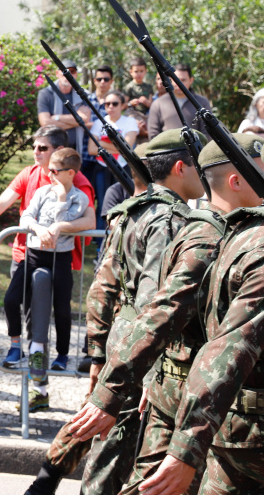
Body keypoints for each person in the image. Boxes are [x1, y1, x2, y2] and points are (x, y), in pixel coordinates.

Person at [70, 134, 261, 495]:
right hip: (196, 394)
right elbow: (162, 312)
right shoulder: (210, 235)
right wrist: (118, 386)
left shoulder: (215, 229)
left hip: (189, 392)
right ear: (235, 181)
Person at [136, 137, 264, 495]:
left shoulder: (230, 234)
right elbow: (226, 347)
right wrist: (187, 448)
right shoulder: (224, 235)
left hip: (218, 416)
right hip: (233, 420)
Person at [23, 145, 150, 495]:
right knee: (108, 422)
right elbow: (104, 288)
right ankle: (48, 483)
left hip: (126, 342)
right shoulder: (143, 218)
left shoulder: (133, 216)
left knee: (100, 415)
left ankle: (44, 483)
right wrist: (96, 352)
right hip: (132, 344)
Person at [0, 126, 95, 366]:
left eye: (42, 148)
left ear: (59, 151)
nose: (36, 152)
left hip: (59, 257)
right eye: (33, 146)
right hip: (26, 253)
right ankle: (22, 352)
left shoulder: (79, 183)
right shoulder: (30, 174)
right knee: (19, 304)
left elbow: (88, 220)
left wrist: (58, 228)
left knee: (54, 311)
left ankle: (47, 366)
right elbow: (3, 202)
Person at [6, 147, 94, 410]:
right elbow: (27, 215)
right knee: (12, 299)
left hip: (61, 259)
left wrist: (62, 201)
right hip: (33, 256)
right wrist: (37, 228)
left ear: (70, 173)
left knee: (62, 310)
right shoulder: (42, 192)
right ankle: (15, 344)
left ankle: (62, 354)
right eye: (48, 170)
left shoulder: (77, 197)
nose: (49, 174)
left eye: (55, 171)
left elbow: (77, 221)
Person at [88, 89, 139, 229]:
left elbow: (127, 147)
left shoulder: (130, 122)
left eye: (114, 103)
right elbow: (91, 149)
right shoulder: (99, 122)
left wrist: (100, 143)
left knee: (125, 203)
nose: (110, 107)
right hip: (102, 169)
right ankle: (101, 242)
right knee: (103, 204)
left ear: (122, 105)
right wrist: (117, 146)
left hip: (123, 168)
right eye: (107, 104)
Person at [36, 59, 94, 179]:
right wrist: (77, 120)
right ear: (57, 73)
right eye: (64, 71)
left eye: (72, 71)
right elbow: (45, 123)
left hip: (76, 151)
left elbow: (85, 120)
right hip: (52, 150)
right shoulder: (45, 94)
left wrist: (56, 119)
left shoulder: (83, 94)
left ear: (76, 74)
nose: (68, 74)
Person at [146, 63, 212, 139]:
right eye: (175, 79)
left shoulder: (201, 103)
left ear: (191, 80)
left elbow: (208, 134)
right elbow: (153, 134)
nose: (179, 84)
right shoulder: (158, 104)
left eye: (183, 80)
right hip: (168, 150)